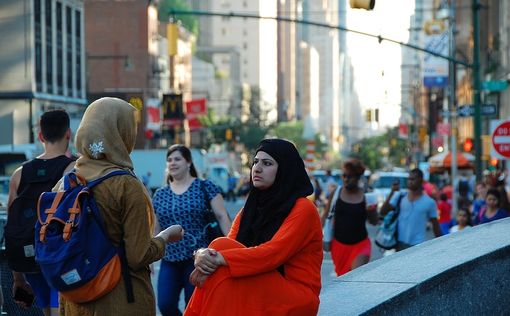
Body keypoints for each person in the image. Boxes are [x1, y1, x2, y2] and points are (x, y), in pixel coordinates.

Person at [58, 97, 184, 315]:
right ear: (121, 133)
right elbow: (138, 255)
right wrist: (165, 236)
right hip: (121, 298)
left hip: (75, 299)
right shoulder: (126, 184)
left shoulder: (66, 182)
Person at [184, 139, 323, 315]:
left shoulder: (304, 208)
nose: (256, 169)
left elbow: (273, 254)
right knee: (220, 247)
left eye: (267, 163)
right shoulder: (250, 209)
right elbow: (230, 244)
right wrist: (202, 255)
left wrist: (219, 258)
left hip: (295, 296)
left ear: (285, 170)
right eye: (255, 162)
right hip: (260, 283)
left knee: (220, 252)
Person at [7, 109, 76, 315]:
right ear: (68, 134)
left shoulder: (19, 174)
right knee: (61, 311)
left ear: (40, 136)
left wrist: (17, 278)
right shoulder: (73, 170)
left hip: (30, 260)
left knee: (48, 312)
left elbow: (13, 225)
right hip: (60, 258)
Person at [152, 144, 231, 316]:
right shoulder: (160, 194)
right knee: (165, 305)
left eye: (177, 159)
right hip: (169, 259)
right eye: (169, 160)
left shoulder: (205, 186)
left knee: (194, 307)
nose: (172, 163)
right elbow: (156, 228)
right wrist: (149, 258)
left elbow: (222, 216)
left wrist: (232, 246)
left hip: (198, 259)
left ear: (188, 162)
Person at [322, 158, 379, 276]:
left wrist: (371, 211)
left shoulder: (366, 195)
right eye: (344, 176)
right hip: (339, 246)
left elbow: (374, 221)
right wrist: (316, 236)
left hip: (360, 245)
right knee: (344, 282)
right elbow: (326, 215)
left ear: (358, 177)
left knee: (356, 276)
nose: (346, 179)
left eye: (350, 176)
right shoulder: (336, 193)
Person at [380, 168, 442, 251]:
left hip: (418, 245)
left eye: (413, 179)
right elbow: (382, 211)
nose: (410, 181)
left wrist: (441, 245)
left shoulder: (429, 202)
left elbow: (436, 226)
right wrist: (392, 192)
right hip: (399, 244)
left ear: (421, 180)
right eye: (408, 179)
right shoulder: (400, 196)